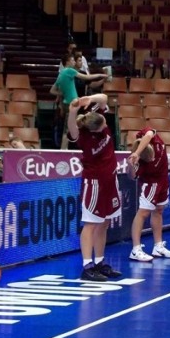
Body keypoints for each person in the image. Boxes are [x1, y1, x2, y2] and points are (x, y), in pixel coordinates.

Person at [67, 93, 122, 281]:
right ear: (96, 130)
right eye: (104, 126)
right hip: (95, 184)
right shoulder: (84, 136)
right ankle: (87, 266)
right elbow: (72, 129)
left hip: (111, 180)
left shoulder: (96, 117)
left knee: (105, 222)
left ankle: (99, 262)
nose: (107, 126)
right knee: (91, 224)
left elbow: (104, 97)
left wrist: (89, 99)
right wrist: (73, 111)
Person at [127, 127, 170, 262]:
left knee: (159, 211)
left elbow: (149, 134)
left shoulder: (153, 139)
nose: (153, 158)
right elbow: (132, 177)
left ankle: (158, 246)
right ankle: (136, 249)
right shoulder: (141, 163)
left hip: (163, 181)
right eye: (150, 158)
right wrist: (131, 164)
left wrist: (136, 152)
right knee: (143, 213)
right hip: (150, 186)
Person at [51, 53, 108, 150]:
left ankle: (70, 147)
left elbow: (52, 90)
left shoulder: (60, 75)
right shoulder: (69, 70)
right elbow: (86, 77)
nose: (74, 62)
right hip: (72, 103)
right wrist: (102, 75)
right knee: (68, 129)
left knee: (71, 126)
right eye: (72, 60)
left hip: (67, 103)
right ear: (67, 62)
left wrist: (64, 93)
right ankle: (64, 150)